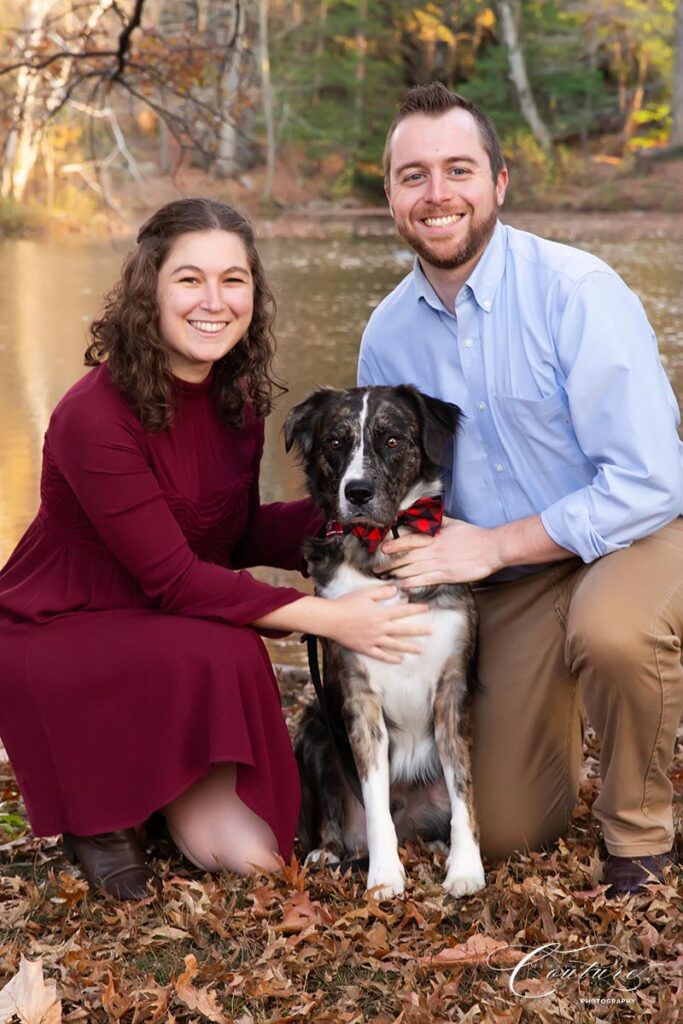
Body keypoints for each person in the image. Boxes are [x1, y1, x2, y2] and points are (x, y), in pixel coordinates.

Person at [0, 198, 431, 900]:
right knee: (226, 644)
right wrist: (328, 617)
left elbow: (227, 534)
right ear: (149, 290)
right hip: (61, 630)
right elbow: (175, 576)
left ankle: (160, 796)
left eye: (234, 280)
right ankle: (100, 813)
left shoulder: (235, 401)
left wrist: (357, 517)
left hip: (165, 625)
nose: (214, 301)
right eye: (189, 279)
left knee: (265, 857)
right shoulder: (93, 416)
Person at [358, 83, 683, 896]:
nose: (437, 195)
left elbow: (652, 479)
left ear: (498, 182)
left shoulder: (576, 291)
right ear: (389, 196)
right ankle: (561, 716)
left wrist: (495, 542)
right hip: (502, 582)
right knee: (506, 831)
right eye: (413, 176)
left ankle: (637, 835)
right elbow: (390, 493)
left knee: (612, 629)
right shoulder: (385, 335)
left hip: (632, 536)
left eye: (458, 170)